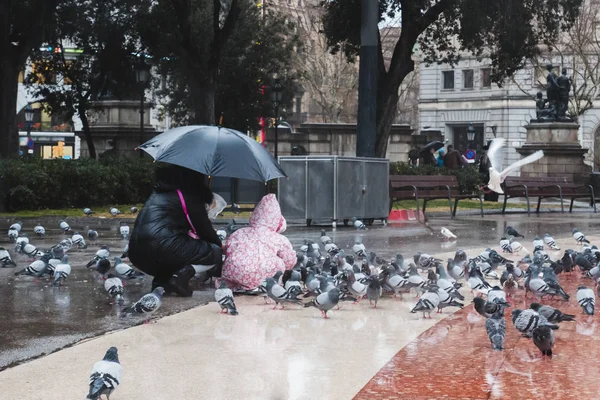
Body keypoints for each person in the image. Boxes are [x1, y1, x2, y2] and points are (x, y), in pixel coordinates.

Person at [128, 165, 223, 297]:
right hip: (161, 248)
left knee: (175, 248)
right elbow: (203, 229)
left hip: (136, 253)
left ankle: (161, 282)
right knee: (215, 252)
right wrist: (220, 246)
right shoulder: (188, 195)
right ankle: (181, 277)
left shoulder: (159, 193)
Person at [220, 193, 295, 290]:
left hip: (237, 273)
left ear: (255, 216)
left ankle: (235, 285)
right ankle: (270, 286)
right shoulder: (279, 238)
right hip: (265, 275)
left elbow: (228, 251)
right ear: (276, 220)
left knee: (233, 262)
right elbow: (289, 260)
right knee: (279, 262)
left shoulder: (239, 233)